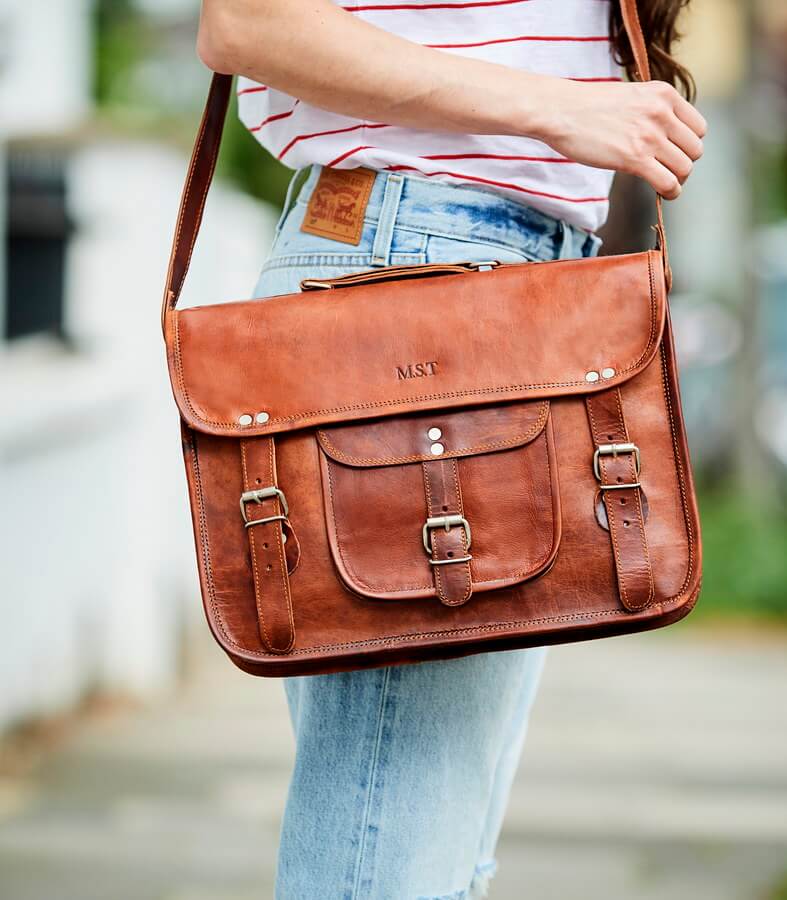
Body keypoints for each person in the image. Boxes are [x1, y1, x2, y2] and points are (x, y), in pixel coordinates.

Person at [196, 2, 705, 897]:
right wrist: (560, 106)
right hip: (416, 283)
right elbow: (248, 20)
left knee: (439, 861)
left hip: (496, 285)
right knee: (389, 868)